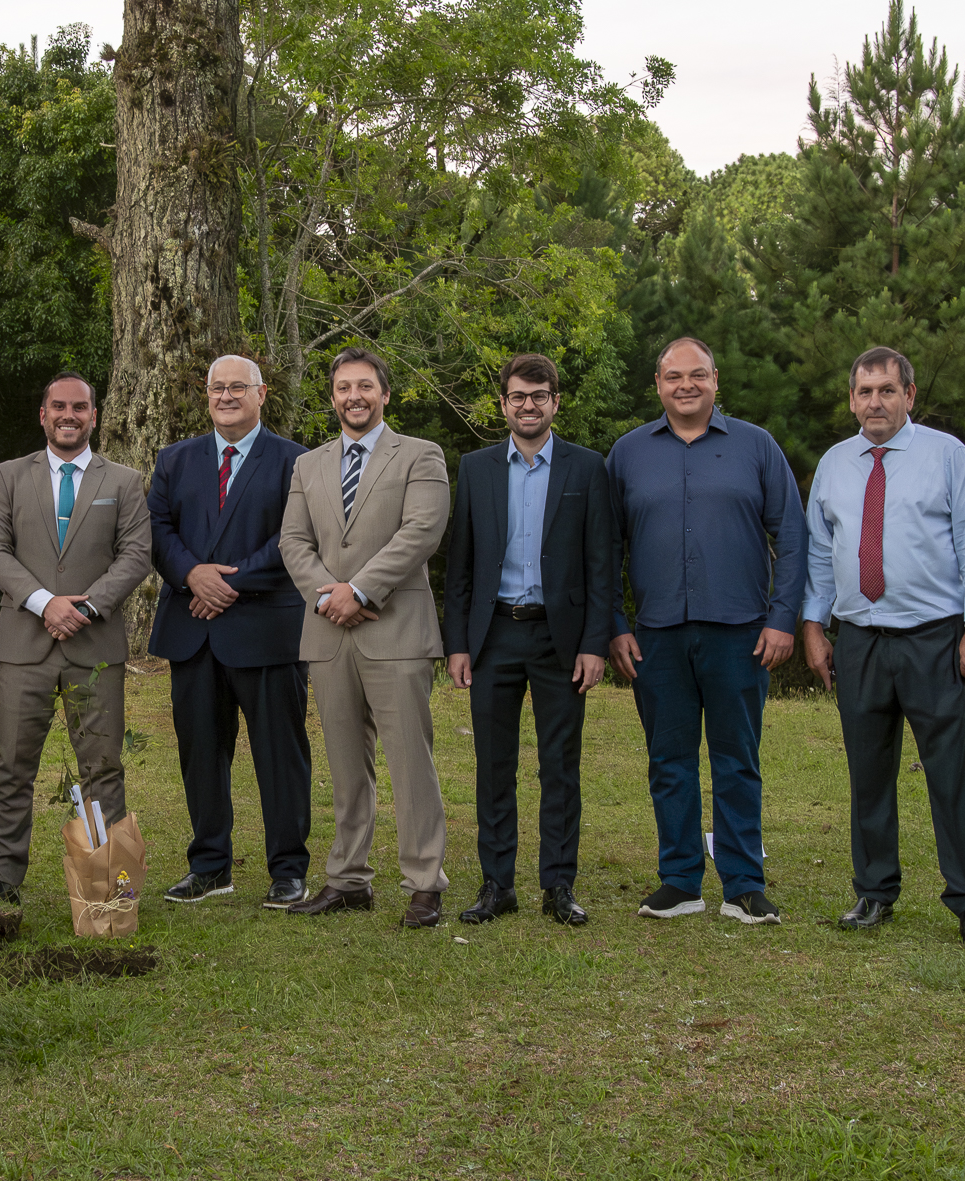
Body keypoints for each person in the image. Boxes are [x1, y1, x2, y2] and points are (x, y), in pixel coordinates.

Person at [802, 346, 965, 946]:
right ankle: (873, 892)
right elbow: (818, 553)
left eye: (887, 390)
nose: (875, 402)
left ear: (909, 396)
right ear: (852, 399)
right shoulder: (834, 465)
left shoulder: (946, 457)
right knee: (868, 773)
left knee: (951, 772)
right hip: (859, 640)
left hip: (933, 638)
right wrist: (814, 627)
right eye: (864, 392)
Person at [607, 337, 805, 926]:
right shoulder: (628, 454)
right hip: (656, 635)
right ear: (659, 385)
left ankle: (744, 882)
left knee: (736, 759)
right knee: (668, 759)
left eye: (697, 375)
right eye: (673, 377)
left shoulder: (756, 447)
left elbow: (792, 539)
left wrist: (781, 618)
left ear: (716, 379)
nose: (685, 385)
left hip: (740, 632)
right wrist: (614, 626)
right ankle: (679, 880)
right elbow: (603, 549)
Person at [278, 346, 452, 928]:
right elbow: (293, 543)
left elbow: (422, 530)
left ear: (384, 393)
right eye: (343, 388)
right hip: (328, 633)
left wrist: (363, 589)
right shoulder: (309, 465)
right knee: (346, 766)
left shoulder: (420, 456)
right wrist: (330, 593)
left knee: (410, 763)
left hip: (395, 629)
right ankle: (348, 879)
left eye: (365, 386)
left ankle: (425, 881)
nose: (354, 396)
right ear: (332, 398)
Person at [443, 354, 616, 927]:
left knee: (559, 767)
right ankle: (497, 885)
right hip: (493, 637)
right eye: (518, 396)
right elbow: (460, 564)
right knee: (493, 765)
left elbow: (601, 564)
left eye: (539, 395)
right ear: (503, 404)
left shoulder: (587, 469)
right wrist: (458, 643)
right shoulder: (477, 468)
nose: (528, 405)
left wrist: (596, 642)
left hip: (559, 639)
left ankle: (558, 886)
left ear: (555, 402)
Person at [0, 371, 152, 904]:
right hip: (23, 646)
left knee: (102, 767)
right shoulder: (8, 476)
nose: (69, 415)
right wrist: (44, 602)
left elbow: (136, 555)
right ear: (43, 415)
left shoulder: (123, 481)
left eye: (79, 407)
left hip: (94, 647)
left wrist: (88, 606)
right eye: (59, 407)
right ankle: (2, 880)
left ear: (94, 416)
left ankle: (109, 882)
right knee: (13, 767)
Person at [148, 356, 313, 908]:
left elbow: (296, 536)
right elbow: (157, 528)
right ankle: (210, 865)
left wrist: (229, 583)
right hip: (192, 631)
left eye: (237, 387)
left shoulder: (296, 461)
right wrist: (191, 574)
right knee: (201, 752)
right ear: (207, 394)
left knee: (279, 754)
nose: (225, 396)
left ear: (261, 394)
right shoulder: (174, 460)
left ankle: (288, 868)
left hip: (266, 629)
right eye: (216, 387)